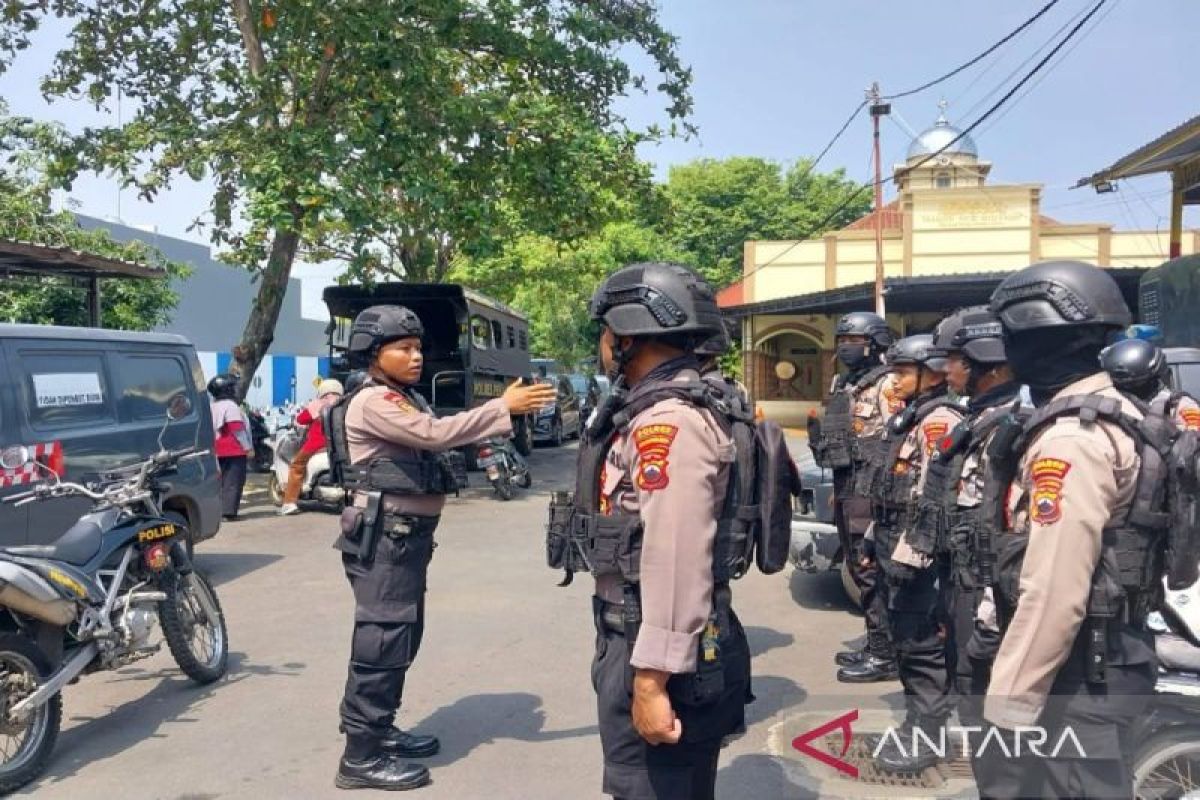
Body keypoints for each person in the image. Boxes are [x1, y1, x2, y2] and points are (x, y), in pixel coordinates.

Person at [327, 304, 555, 792]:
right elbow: (434, 436)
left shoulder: (402, 397)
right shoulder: (373, 402)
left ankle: (379, 729)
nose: (415, 357)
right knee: (383, 639)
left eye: (418, 348)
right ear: (372, 353)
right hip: (387, 535)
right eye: (403, 349)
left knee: (402, 636)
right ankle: (360, 756)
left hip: (406, 536)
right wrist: (501, 409)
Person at [979, 260, 1161, 797]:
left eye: (1014, 338)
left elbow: (1056, 589)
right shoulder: (1126, 409)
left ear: (1041, 339)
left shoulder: (1070, 440)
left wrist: (1009, 704)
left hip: (1076, 673)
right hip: (1107, 655)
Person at [574, 262, 752, 800]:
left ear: (626, 336)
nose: (604, 345)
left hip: (656, 646)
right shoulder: (662, 407)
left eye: (606, 332)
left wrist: (651, 679)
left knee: (654, 787)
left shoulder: (665, 423)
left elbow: (675, 557)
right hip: (643, 632)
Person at [912, 306, 1021, 782]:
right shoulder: (980, 419)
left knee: (996, 725)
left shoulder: (1010, 424)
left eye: (955, 359)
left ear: (986, 361)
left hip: (990, 597)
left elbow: (1013, 535)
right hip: (962, 585)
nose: (947, 369)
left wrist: (991, 619)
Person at [849, 333, 964, 772]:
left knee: (921, 646)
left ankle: (927, 734)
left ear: (930, 374)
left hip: (917, 554)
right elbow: (895, 491)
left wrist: (911, 557)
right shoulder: (911, 417)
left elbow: (933, 499)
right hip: (893, 542)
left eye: (901, 372)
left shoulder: (939, 421)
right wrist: (871, 539)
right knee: (904, 639)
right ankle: (918, 721)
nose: (892, 380)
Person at [814, 312, 903, 682]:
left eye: (854, 341)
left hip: (870, 488)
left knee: (870, 570)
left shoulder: (887, 385)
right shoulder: (845, 383)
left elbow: (896, 442)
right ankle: (876, 642)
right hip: (847, 484)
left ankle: (885, 655)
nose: (846, 347)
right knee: (855, 563)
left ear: (875, 343)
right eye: (842, 341)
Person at [279, 378, 345, 515]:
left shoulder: (319, 403)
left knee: (296, 466)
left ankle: (289, 502)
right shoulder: (345, 403)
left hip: (317, 444)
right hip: (340, 445)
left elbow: (300, 419)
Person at [208, 373, 253, 520]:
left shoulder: (211, 406)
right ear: (226, 390)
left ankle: (217, 511)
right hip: (233, 450)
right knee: (233, 481)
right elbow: (237, 429)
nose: (235, 390)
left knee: (219, 482)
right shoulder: (231, 406)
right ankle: (228, 512)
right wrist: (248, 448)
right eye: (232, 387)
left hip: (215, 449)